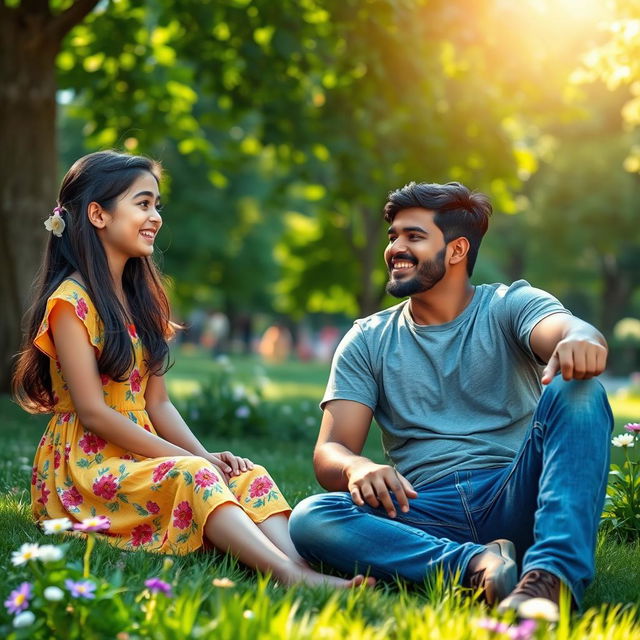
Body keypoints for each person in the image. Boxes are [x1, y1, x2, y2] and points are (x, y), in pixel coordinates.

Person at [12, 151, 373, 589]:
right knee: (195, 475)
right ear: (97, 214)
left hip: (137, 451)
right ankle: (290, 577)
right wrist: (190, 461)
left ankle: (303, 564)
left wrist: (204, 455)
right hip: (84, 467)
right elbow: (94, 413)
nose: (156, 216)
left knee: (245, 474)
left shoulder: (142, 300)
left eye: (157, 205)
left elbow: (156, 401)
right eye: (143, 203)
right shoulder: (71, 303)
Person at [289, 181, 612, 614]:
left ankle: (549, 580)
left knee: (580, 387)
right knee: (312, 517)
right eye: (393, 237)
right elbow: (331, 450)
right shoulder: (366, 339)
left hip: (514, 493)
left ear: (457, 250)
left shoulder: (508, 304)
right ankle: (477, 567)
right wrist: (356, 466)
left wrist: (581, 338)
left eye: (413, 236)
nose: (395, 248)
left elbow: (567, 328)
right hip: (423, 507)